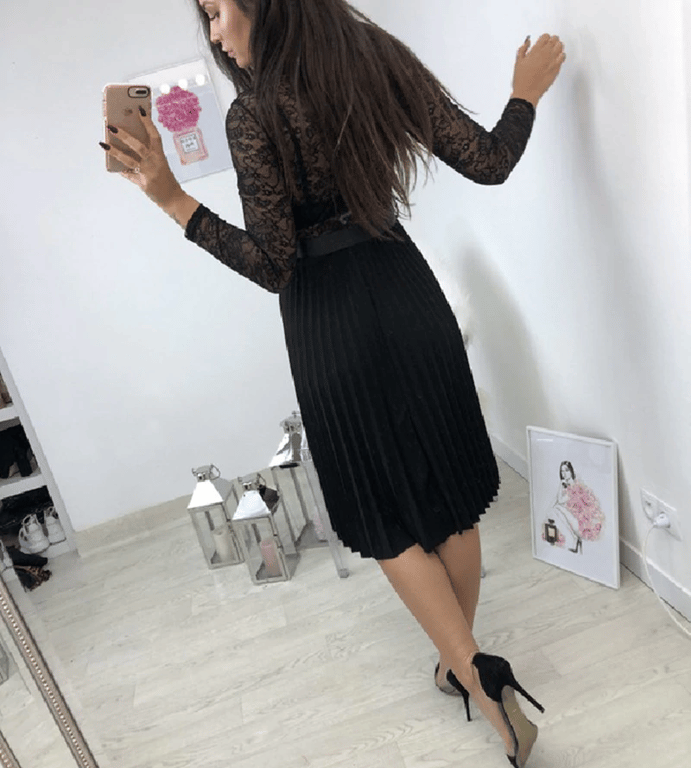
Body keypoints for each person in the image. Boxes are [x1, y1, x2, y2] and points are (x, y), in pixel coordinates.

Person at [99, 2, 565, 765]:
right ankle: (460, 664)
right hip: (406, 294)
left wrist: (172, 200)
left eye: (217, 11)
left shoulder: (254, 114)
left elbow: (274, 265)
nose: (214, 34)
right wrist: (523, 95)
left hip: (330, 324)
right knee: (446, 491)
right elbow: (488, 160)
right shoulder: (376, 59)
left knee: (381, 514)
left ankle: (476, 675)